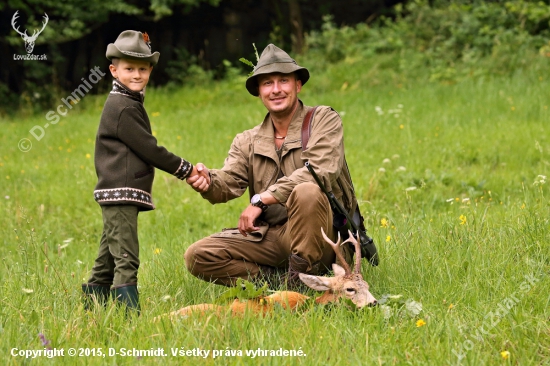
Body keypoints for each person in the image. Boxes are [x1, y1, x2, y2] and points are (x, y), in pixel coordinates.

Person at [184, 44, 359, 288]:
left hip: (322, 239)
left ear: (297, 85)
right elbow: (228, 183)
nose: (276, 90)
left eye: (283, 81)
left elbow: (320, 171)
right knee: (198, 255)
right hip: (273, 236)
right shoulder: (247, 140)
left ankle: (298, 282)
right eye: (267, 83)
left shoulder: (323, 119)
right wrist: (207, 181)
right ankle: (278, 282)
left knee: (307, 190)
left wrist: (262, 199)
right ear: (259, 91)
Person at [82, 30, 207, 313]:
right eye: (129, 69)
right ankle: (128, 316)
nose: (136, 74)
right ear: (114, 71)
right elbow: (148, 148)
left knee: (109, 256)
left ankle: (91, 309)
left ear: (150, 69)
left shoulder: (127, 100)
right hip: (120, 190)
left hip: (120, 191)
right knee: (126, 257)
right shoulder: (122, 106)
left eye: (142, 68)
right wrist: (185, 169)